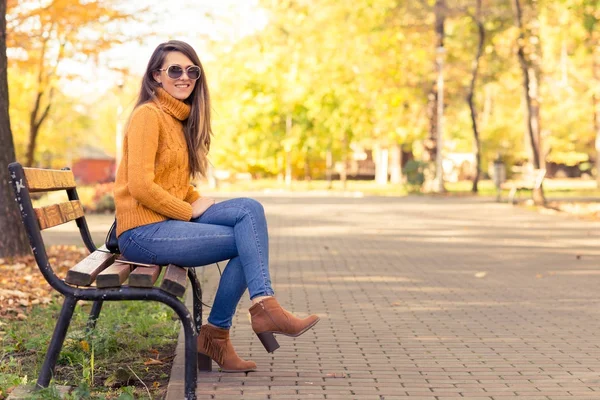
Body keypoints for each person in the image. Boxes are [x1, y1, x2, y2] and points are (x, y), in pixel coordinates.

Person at [113, 40, 319, 372]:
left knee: (249, 210)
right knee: (246, 240)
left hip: (163, 223)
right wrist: (187, 210)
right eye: (175, 70)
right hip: (141, 232)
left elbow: (173, 184)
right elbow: (140, 185)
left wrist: (195, 200)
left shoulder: (177, 121)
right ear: (156, 77)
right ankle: (239, 322)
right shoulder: (148, 116)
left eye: (191, 71)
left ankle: (243, 318)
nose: (185, 77)